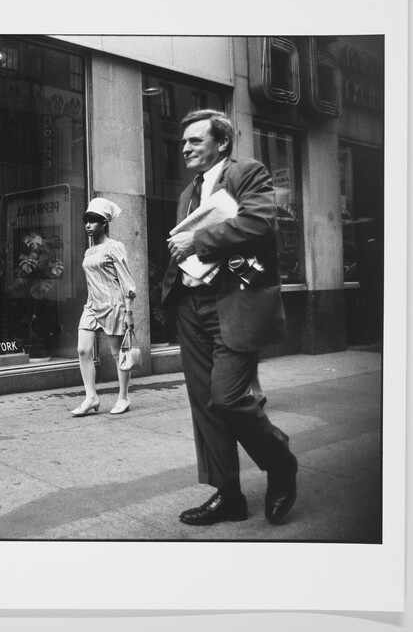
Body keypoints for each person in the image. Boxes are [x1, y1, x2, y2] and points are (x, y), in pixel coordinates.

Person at [160, 109, 297, 525]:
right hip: (192, 304)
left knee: (229, 397)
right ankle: (228, 495)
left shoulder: (248, 172)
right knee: (205, 404)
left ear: (220, 142)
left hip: (234, 302)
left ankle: (280, 463)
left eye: (194, 141)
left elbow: (259, 222)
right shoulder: (188, 192)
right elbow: (180, 248)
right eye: (182, 142)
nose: (185, 148)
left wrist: (198, 241)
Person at [72, 197, 137, 417]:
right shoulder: (89, 251)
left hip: (112, 304)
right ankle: (91, 397)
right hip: (91, 306)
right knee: (83, 349)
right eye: (86, 220)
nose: (87, 225)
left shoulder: (114, 247)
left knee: (118, 354)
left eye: (93, 220)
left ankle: (124, 397)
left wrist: (129, 312)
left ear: (104, 223)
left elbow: (126, 281)